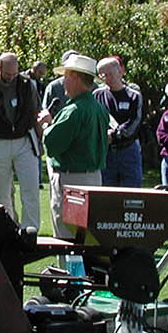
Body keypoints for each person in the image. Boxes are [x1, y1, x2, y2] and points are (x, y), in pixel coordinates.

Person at [39, 53, 109, 239]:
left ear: (75, 77)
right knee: (87, 238)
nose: (63, 84)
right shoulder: (98, 108)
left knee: (66, 237)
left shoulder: (73, 110)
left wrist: (47, 125)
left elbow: (53, 145)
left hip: (72, 180)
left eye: (66, 77)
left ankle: (70, 270)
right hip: (93, 178)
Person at [0, 52, 41, 231]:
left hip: (24, 141)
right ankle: (8, 232)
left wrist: (40, 140)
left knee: (31, 190)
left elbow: (35, 113)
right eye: (8, 74)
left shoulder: (27, 85)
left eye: (14, 74)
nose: (11, 78)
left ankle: (30, 232)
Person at [94, 56, 145, 187]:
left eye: (110, 74)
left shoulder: (134, 95)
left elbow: (134, 122)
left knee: (131, 194)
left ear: (120, 72)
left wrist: (115, 135)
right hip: (106, 152)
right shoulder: (97, 95)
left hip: (128, 150)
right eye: (103, 75)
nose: (107, 78)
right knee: (106, 194)